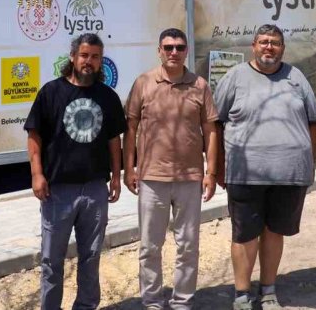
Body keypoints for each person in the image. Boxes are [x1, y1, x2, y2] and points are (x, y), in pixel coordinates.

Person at [214, 24, 316, 310]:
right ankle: (241, 294)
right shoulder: (235, 77)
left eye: (274, 42)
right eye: (263, 42)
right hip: (245, 173)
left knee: (275, 231)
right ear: (254, 45)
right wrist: (218, 168)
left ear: (282, 48)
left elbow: (313, 121)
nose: (269, 47)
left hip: (288, 173)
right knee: (245, 234)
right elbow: (216, 122)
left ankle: (269, 289)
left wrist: (310, 162)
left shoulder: (296, 77)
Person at [25, 32, 127, 310]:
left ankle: (86, 306)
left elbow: (114, 141)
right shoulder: (51, 92)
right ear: (72, 57)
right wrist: (37, 174)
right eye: (84, 55)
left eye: (95, 57)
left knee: (91, 256)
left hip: (94, 189)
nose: (89, 62)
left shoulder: (107, 96)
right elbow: (34, 136)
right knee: (51, 261)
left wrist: (116, 176)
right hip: (58, 191)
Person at [124, 28, 220, 310]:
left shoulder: (200, 85)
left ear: (186, 50)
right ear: (159, 50)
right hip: (152, 177)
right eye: (168, 47)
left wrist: (210, 172)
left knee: (188, 246)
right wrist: (128, 168)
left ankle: (182, 301)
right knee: (149, 247)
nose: (174, 52)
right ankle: (153, 301)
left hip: (190, 177)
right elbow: (130, 128)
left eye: (179, 47)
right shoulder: (144, 83)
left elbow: (211, 131)